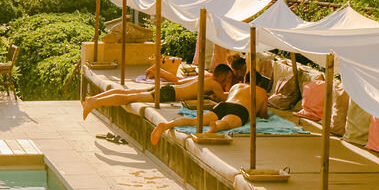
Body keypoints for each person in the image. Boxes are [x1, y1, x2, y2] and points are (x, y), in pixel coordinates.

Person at [83, 64, 234, 120]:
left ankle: (94, 98)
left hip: (169, 89)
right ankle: (95, 102)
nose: (228, 81)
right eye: (228, 78)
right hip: (169, 94)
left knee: (130, 93)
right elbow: (224, 99)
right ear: (222, 75)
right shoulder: (215, 85)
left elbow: (179, 81)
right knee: (131, 97)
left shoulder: (206, 78)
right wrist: (235, 89)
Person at [150, 81, 269, 145]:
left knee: (195, 121)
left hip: (223, 105)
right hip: (240, 109)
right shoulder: (262, 92)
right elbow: (263, 114)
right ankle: (215, 127)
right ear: (259, 84)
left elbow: (224, 97)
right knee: (226, 123)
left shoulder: (237, 85)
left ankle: (167, 125)